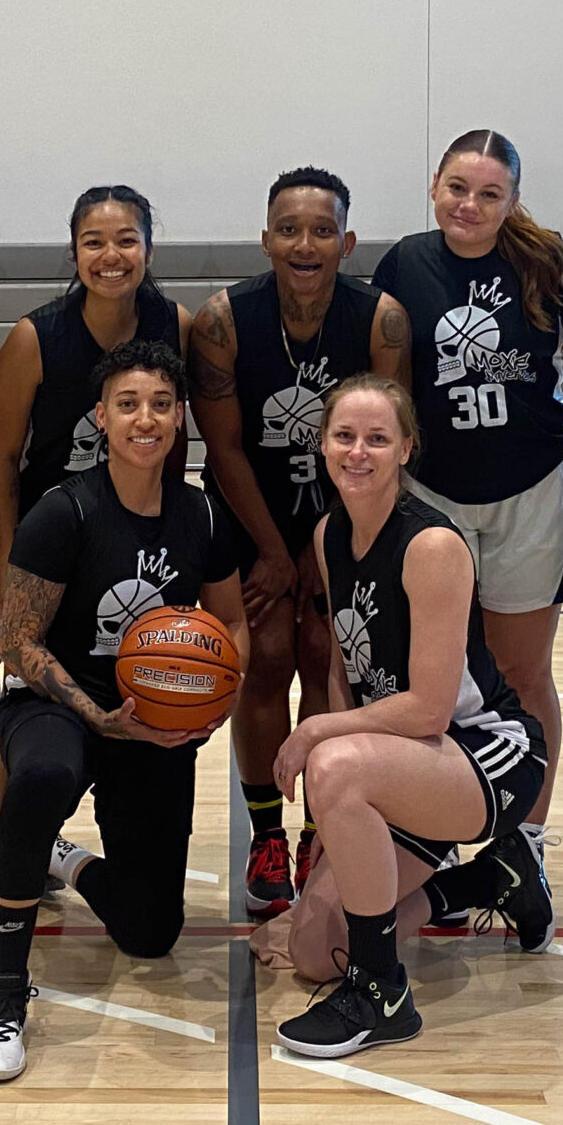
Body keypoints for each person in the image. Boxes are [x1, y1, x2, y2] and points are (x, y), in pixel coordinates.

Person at [0, 339, 248, 1082]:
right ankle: (4, 994)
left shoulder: (201, 515)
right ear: (101, 416)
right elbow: (16, 642)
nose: (144, 419)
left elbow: (232, 626)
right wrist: (99, 715)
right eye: (128, 404)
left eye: (160, 403)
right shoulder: (65, 511)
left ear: (180, 415)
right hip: (58, 705)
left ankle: (67, 859)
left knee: (151, 935)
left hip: (151, 721)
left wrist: (214, 704)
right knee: (41, 781)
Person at [259, 375, 550, 1059]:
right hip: (401, 763)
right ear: (323, 444)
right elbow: (340, 671)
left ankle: (382, 993)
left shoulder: (432, 547)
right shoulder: (331, 534)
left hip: (485, 757)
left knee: (331, 760)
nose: (359, 452)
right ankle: (488, 880)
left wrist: (316, 738)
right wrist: (336, 820)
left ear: (406, 450)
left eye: (378, 439)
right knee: (312, 949)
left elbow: (429, 708)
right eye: (345, 437)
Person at [0, 186, 189, 949]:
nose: (111, 255)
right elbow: (3, 458)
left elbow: (189, 443)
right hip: (53, 549)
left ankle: (75, 849)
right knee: (20, 696)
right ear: (74, 252)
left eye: (126, 239)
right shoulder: (35, 339)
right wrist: (5, 551)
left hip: (132, 542)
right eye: (94, 241)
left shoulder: (176, 327)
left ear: (149, 249)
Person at [370, 130, 563, 890]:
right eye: (457, 189)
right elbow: (387, 371)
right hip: (435, 491)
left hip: (531, 487)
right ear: (434, 185)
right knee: (439, 674)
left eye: (489, 194)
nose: (470, 206)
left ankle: (523, 843)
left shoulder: (550, 262)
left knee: (524, 671)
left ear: (512, 201)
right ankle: (438, 828)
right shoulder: (405, 262)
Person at [188, 168, 409, 920]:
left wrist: (328, 552)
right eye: (288, 229)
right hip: (251, 516)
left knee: (327, 654)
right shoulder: (223, 322)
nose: (304, 243)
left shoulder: (380, 320)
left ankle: (320, 826)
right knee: (267, 654)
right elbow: (224, 450)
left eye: (321, 230)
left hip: (347, 517)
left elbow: (380, 443)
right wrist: (278, 554)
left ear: (346, 241)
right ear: (266, 240)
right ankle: (265, 835)